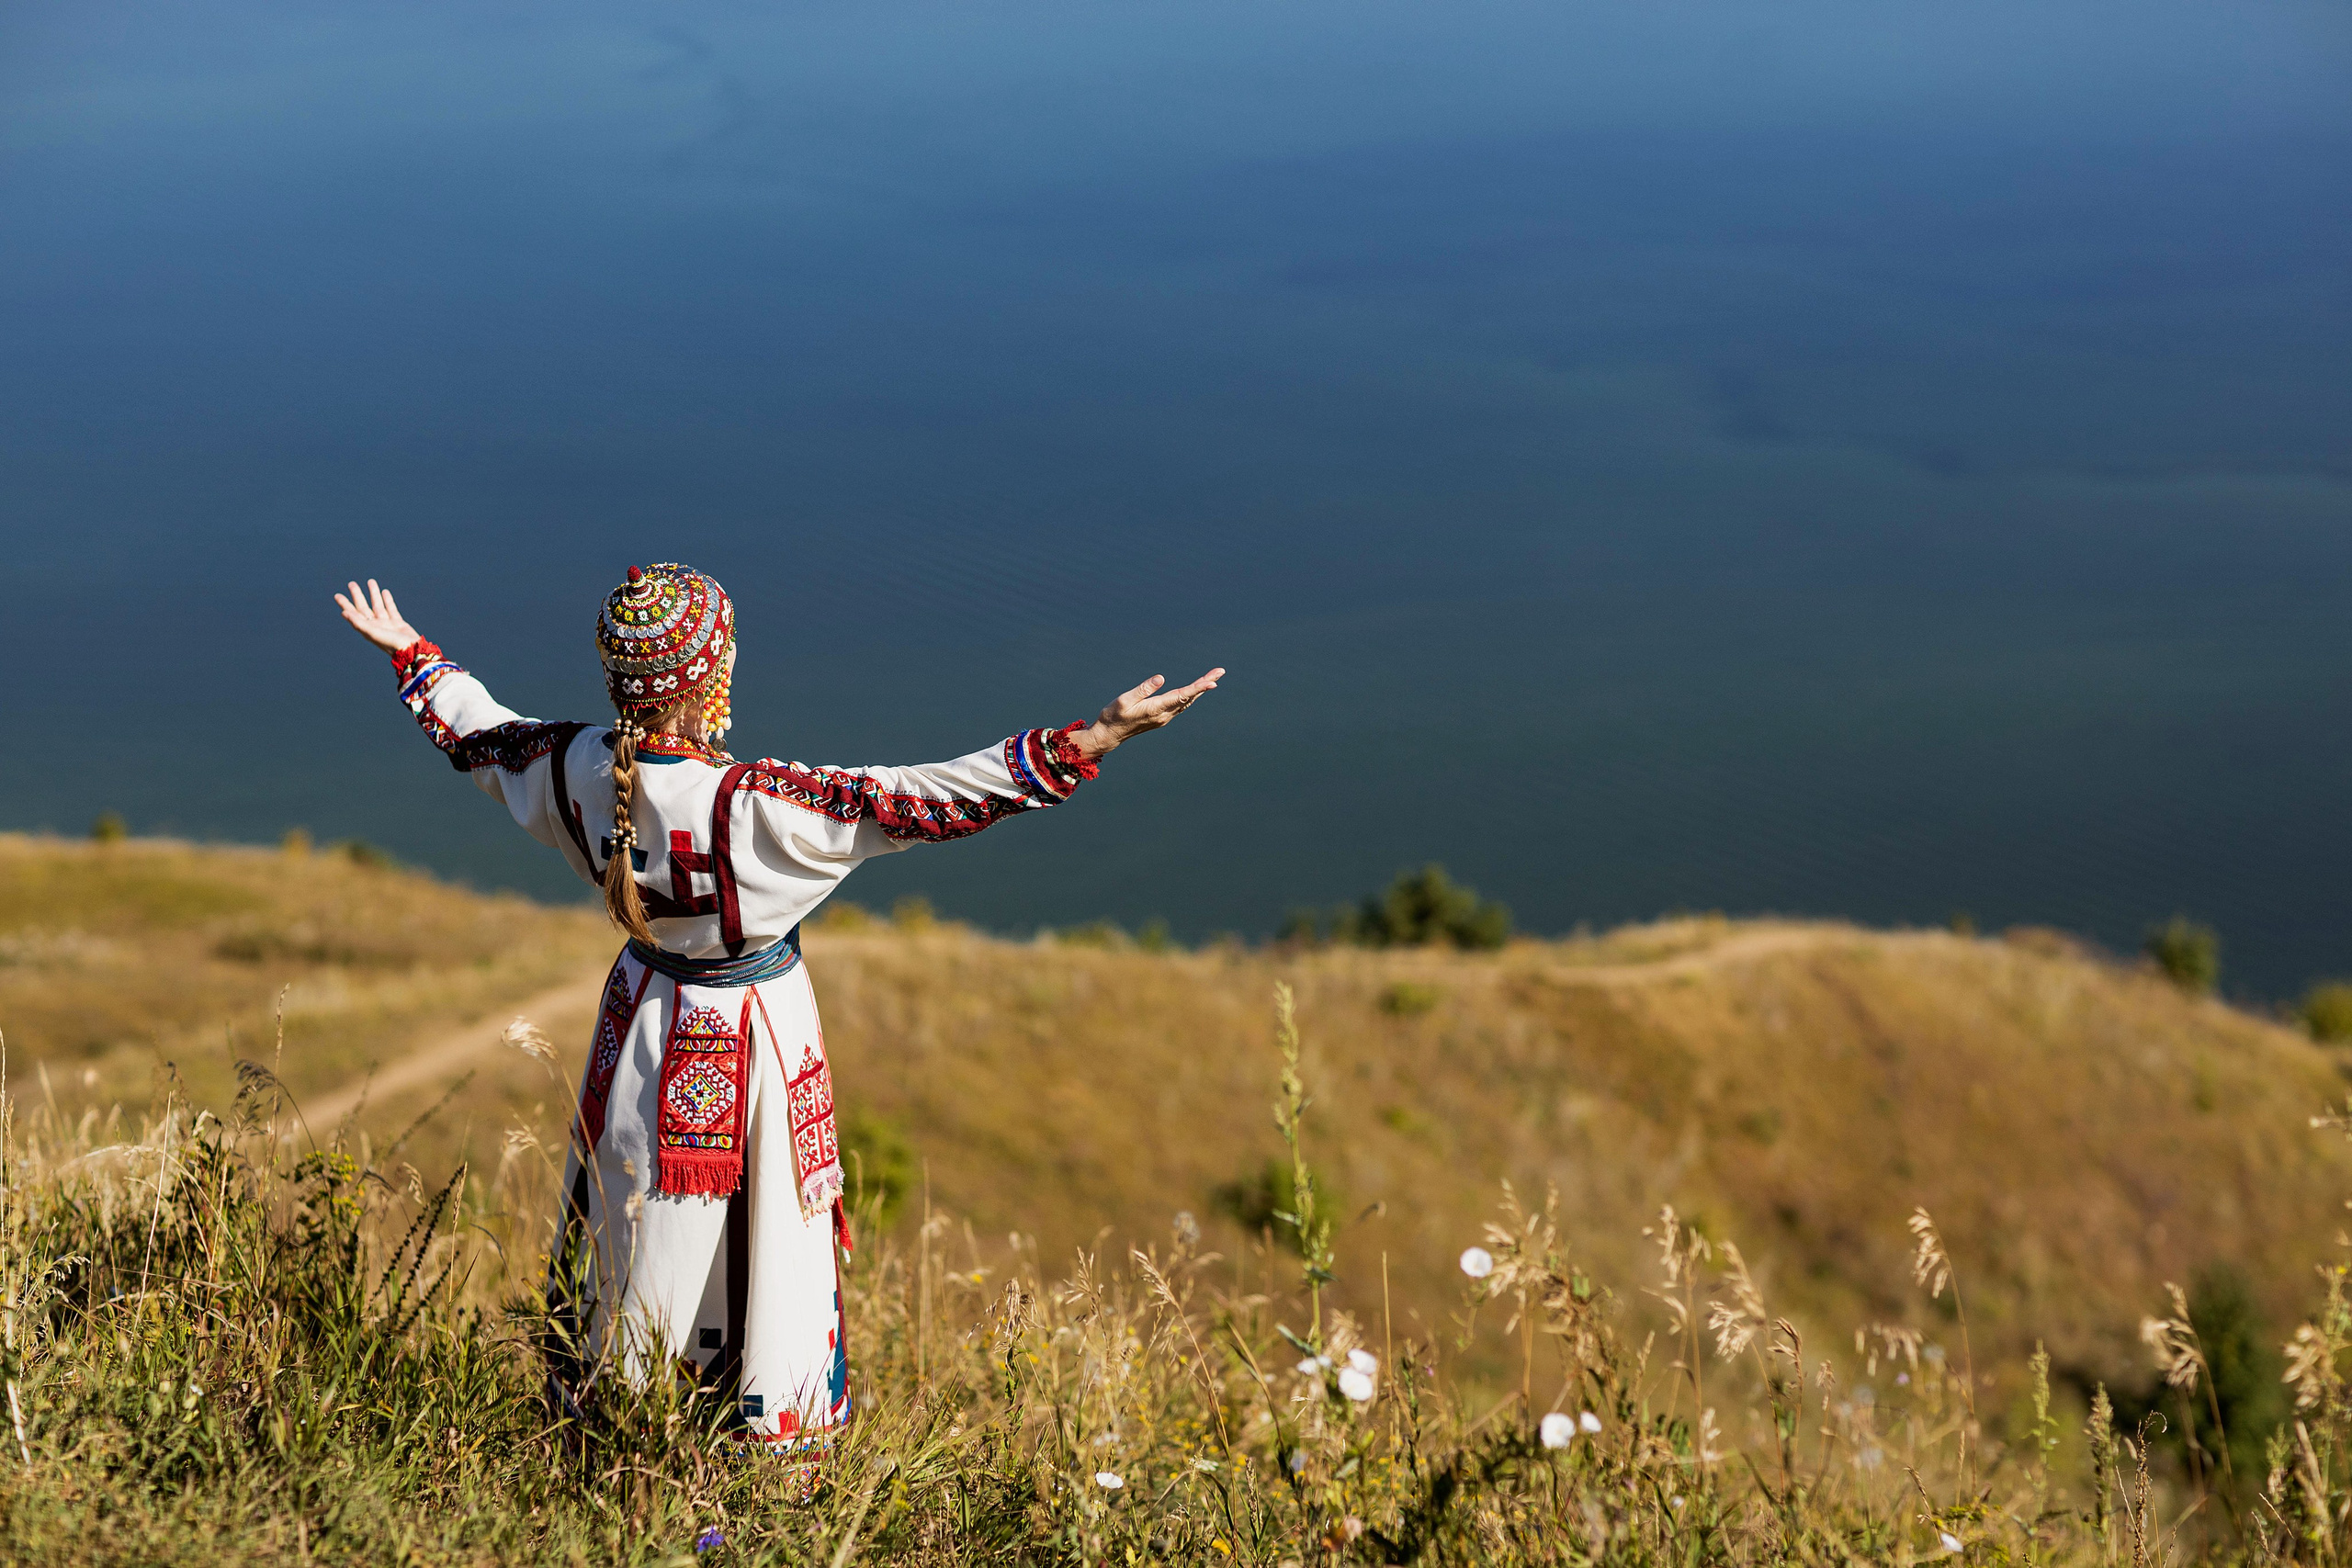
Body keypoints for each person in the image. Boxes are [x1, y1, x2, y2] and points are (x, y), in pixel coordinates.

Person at [335, 566, 1220, 1446]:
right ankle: (759, 1438)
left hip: (640, 1018)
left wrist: (412, 652)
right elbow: (921, 799)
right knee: (766, 1231)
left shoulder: (574, 768)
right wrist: (1091, 738)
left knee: (632, 1212)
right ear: (710, 677)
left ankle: (614, 1422)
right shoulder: (754, 805)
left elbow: (481, 731)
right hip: (748, 1035)